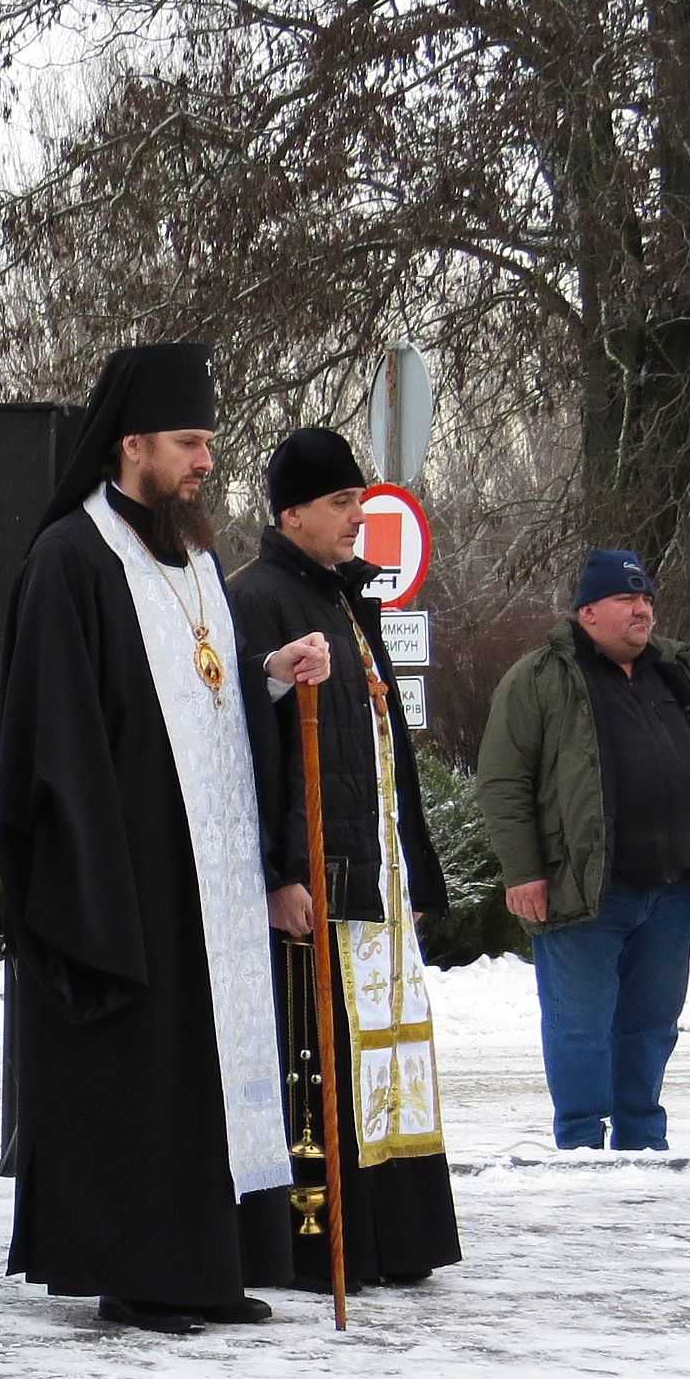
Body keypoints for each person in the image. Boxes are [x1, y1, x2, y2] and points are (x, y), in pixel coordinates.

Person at [0, 344, 333, 1336]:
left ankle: (203, 1266)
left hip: (211, 875)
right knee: (143, 1078)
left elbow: (204, 699)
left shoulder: (190, 558)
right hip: (130, 874)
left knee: (200, 1073)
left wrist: (271, 676)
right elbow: (52, 736)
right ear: (130, 443)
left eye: (210, 443)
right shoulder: (72, 557)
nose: (205, 462)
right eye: (188, 443)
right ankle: (142, 1272)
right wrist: (95, 876)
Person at [226, 428, 462, 1285]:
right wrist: (278, 871)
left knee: (382, 1053)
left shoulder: (343, 597)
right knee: (318, 1058)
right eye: (338, 504)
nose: (356, 519)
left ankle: (395, 1233)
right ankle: (319, 1240)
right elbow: (251, 751)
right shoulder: (254, 598)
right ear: (290, 512)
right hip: (312, 876)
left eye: (358, 501)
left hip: (372, 870)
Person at [475, 549, 690, 1151]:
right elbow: (504, 782)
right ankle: (581, 1145)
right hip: (580, 886)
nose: (643, 610)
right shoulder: (540, 678)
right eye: (627, 599)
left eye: (648, 599)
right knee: (579, 1027)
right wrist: (525, 871)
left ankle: (641, 1140)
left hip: (669, 890)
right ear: (588, 612)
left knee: (651, 1026)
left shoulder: (670, 675)